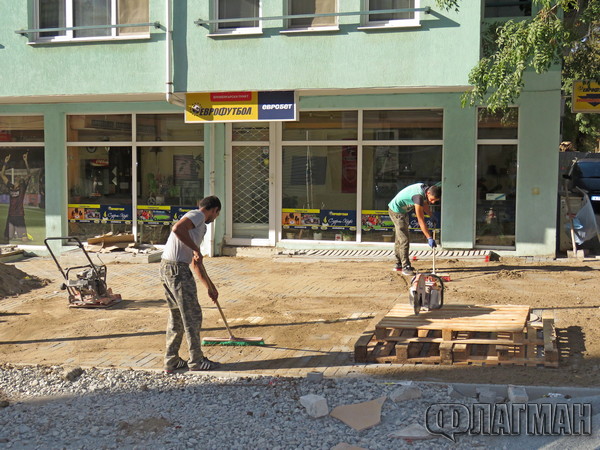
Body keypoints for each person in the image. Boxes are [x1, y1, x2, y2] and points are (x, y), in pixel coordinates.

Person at [160, 195, 222, 373]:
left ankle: (171, 361)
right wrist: (196, 249)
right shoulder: (198, 216)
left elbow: (195, 263)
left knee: (177, 317)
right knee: (192, 316)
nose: (215, 218)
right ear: (213, 210)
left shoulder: (197, 226)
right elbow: (177, 229)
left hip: (168, 268)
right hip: (177, 270)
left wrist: (210, 287)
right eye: (216, 214)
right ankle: (196, 360)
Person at [388, 183, 441, 275]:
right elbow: (420, 220)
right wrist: (429, 237)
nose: (432, 202)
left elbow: (424, 204)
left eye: (435, 201)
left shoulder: (424, 190)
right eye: (432, 199)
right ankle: (405, 266)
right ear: (428, 193)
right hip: (396, 211)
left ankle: (399, 263)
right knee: (404, 239)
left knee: (400, 238)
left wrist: (431, 215)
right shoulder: (418, 197)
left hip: (402, 211)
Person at [1, 153, 32, 242]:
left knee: (24, 239)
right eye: (16, 177)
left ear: (20, 182)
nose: (17, 178)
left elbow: (29, 174)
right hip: (11, 215)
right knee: (7, 238)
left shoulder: (22, 188)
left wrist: (25, 161)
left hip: (19, 215)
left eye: (18, 178)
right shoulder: (10, 186)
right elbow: (2, 175)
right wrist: (5, 163)